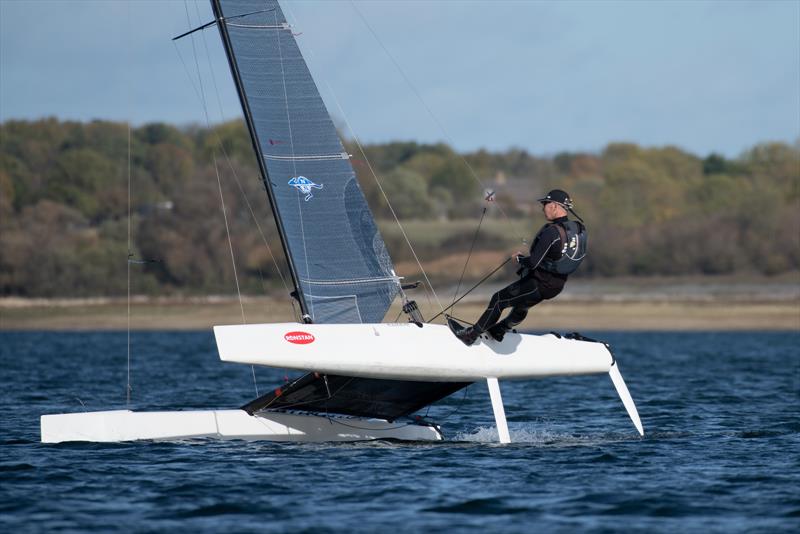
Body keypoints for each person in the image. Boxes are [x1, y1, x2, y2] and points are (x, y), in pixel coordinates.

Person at [452, 189, 587, 346]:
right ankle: (499, 330)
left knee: (498, 300)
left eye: (545, 204)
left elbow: (533, 263)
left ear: (554, 206)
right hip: (556, 286)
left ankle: (471, 335)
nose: (542, 208)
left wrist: (519, 259)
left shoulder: (551, 233)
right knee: (521, 305)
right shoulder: (577, 230)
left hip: (539, 284)